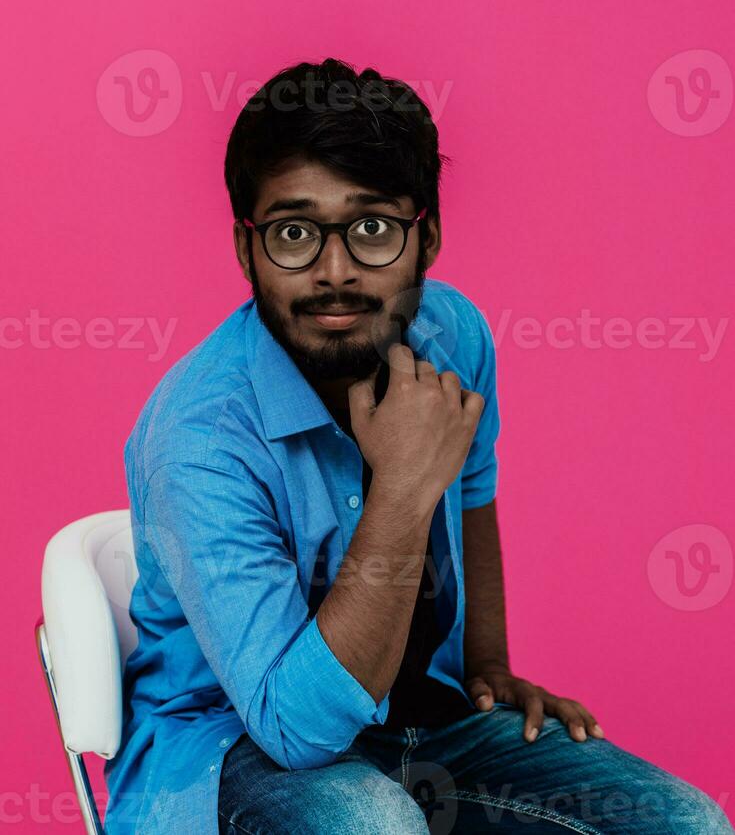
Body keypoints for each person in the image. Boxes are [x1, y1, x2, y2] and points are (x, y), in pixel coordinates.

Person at [103, 59, 733, 834]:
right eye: (293, 233)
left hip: (423, 727)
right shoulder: (200, 436)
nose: (334, 274)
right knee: (375, 828)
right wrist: (399, 490)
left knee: (683, 823)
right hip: (232, 748)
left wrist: (486, 671)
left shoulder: (452, 335)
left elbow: (472, 490)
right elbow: (294, 731)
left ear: (425, 234)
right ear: (246, 250)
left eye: (371, 228)